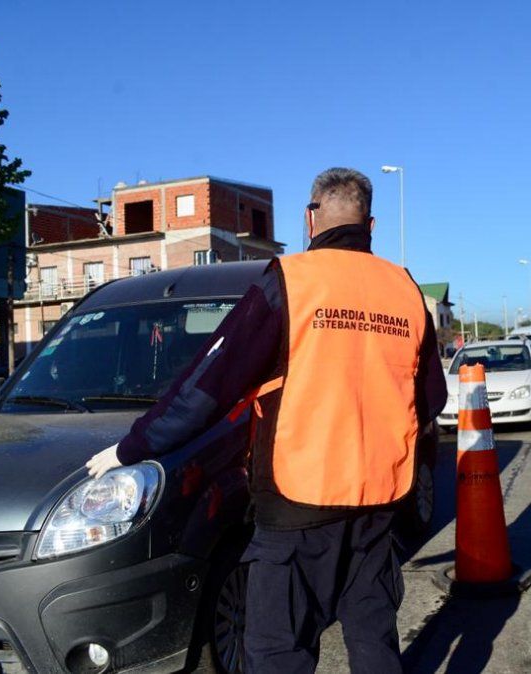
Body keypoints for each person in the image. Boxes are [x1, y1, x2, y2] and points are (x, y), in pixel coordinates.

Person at [86, 168, 447, 672]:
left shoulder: (291, 281)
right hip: (378, 507)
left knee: (279, 653)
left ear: (310, 217)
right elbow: (431, 399)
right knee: (374, 644)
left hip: (299, 507)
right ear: (371, 224)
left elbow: (209, 386)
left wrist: (134, 447)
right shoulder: (404, 290)